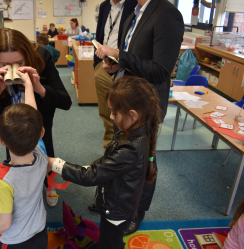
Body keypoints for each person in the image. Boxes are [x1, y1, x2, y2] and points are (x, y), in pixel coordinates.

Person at [94, 0, 184, 234]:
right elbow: (136, 56)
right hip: (126, 97)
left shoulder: (167, 14)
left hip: (144, 105)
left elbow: (160, 71)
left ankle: (137, 212)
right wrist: (117, 64)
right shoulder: (135, 11)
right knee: (118, 151)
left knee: (142, 161)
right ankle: (111, 201)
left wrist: (119, 54)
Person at [47, 76, 161, 249]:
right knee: (108, 238)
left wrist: (55, 163)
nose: (111, 116)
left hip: (116, 210)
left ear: (133, 115)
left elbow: (90, 176)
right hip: (117, 203)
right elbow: (107, 164)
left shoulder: (131, 149)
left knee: (111, 241)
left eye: (114, 112)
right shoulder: (133, 132)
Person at [0, 28, 72, 207]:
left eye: (19, 62)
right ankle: (18, 186)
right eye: (5, 64)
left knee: (45, 149)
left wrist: (40, 88)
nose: (13, 69)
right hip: (9, 124)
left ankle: (49, 183)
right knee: (14, 154)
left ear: (27, 56)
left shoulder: (42, 56)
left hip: (40, 119)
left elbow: (65, 102)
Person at [0, 67, 48, 248]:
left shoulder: (3, 181)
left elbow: (3, 224)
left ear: (0, 140)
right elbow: (32, 115)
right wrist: (28, 85)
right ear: (41, 133)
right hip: (40, 230)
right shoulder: (41, 156)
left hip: (17, 241)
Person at [93, 0, 137, 150]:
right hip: (103, 67)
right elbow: (100, 35)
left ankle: (123, 153)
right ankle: (109, 152)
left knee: (124, 117)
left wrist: (123, 60)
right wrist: (97, 64)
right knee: (106, 114)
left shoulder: (136, 4)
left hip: (124, 68)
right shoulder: (105, 6)